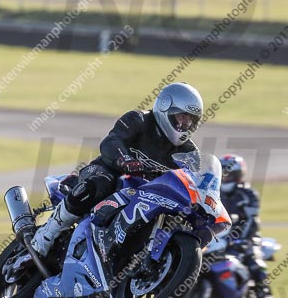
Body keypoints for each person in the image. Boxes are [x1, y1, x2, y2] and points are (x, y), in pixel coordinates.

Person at [29, 82, 203, 258]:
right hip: (109, 172)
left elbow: (195, 181)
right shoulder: (139, 120)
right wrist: (125, 160)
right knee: (100, 182)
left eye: (191, 120)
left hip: (146, 196)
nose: (186, 123)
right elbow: (110, 142)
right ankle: (46, 235)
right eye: (182, 116)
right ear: (166, 108)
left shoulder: (190, 152)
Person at [219, 153, 270, 298]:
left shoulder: (248, 194)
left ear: (238, 175)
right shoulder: (215, 193)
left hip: (246, 238)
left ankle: (264, 295)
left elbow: (250, 220)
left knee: (254, 261)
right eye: (224, 174)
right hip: (219, 237)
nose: (226, 178)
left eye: (230, 174)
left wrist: (241, 240)